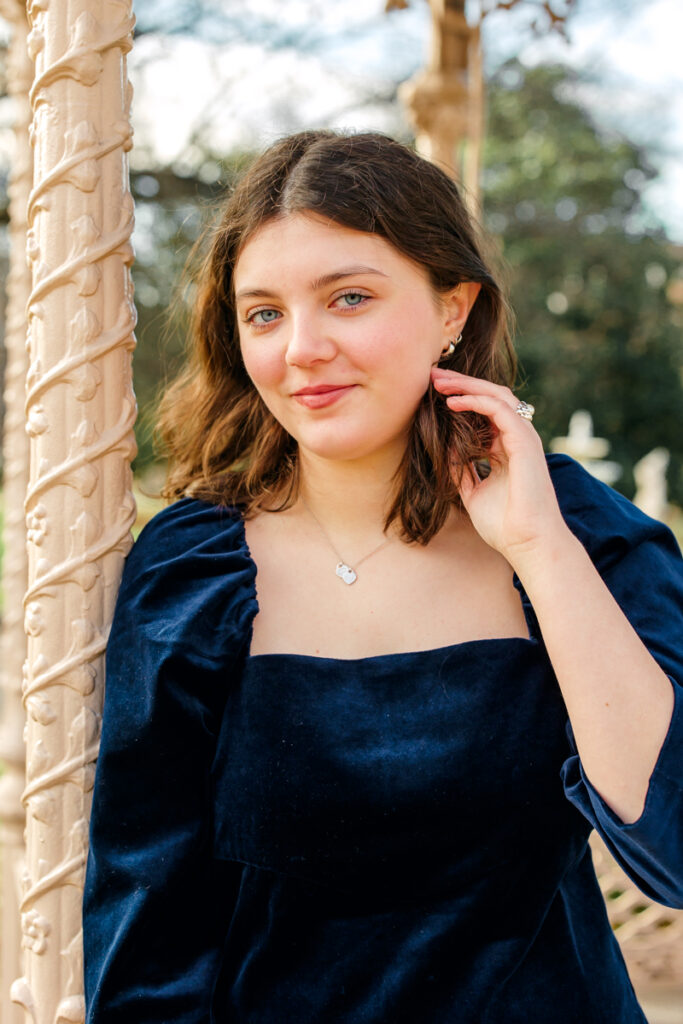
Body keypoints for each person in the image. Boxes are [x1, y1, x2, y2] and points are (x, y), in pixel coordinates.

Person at [82, 130, 683, 1024]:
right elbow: (147, 921)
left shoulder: (579, 532)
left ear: (454, 307)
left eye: (349, 298)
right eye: (264, 314)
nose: (302, 350)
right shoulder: (192, 566)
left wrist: (538, 552)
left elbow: (670, 846)